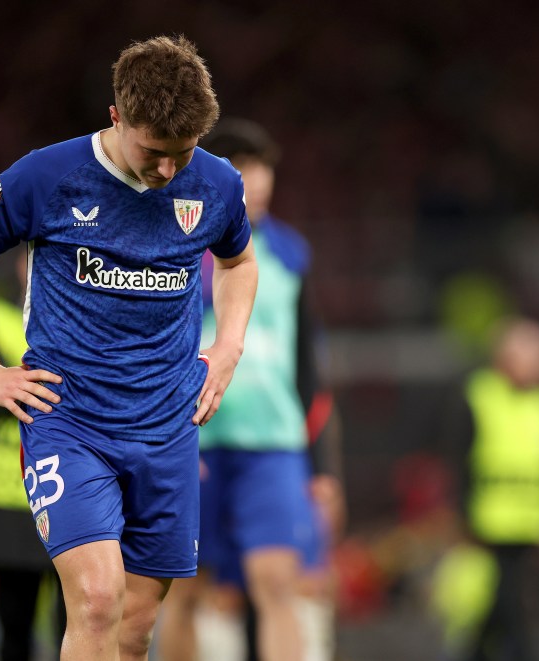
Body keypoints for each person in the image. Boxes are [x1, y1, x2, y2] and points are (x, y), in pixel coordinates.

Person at [0, 35, 258, 661]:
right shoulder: (46, 176)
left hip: (167, 427)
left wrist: (230, 344)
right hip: (70, 423)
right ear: (116, 117)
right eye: (156, 152)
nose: (169, 170)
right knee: (97, 599)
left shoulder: (217, 184)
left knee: (134, 628)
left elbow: (240, 263)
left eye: (183, 154)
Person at [157, 118, 328, 661]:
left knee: (278, 582)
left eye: (264, 169)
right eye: (243, 168)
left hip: (273, 446)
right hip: (192, 444)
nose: (257, 180)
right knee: (182, 587)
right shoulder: (176, 241)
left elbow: (306, 366)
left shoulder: (291, 255)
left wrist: (322, 467)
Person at [0, 251, 66, 661]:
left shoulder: (74, 324)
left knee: (71, 622)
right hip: (2, 497)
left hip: (61, 488)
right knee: (13, 626)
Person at [442, 317, 539, 661]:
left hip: (537, 525)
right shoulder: (478, 395)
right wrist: (462, 515)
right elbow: (458, 458)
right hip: (491, 525)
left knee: (504, 613)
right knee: (507, 610)